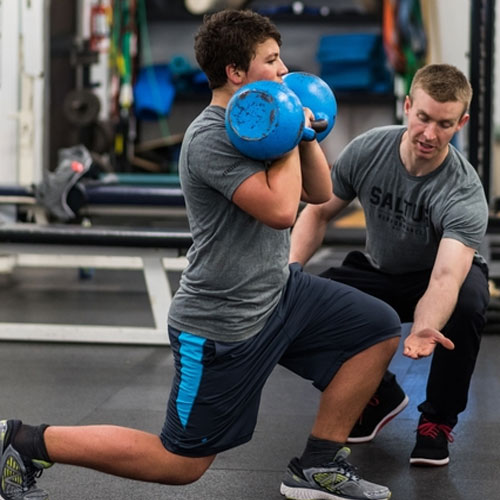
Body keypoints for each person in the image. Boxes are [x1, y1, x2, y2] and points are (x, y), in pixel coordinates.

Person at [0, 11, 450, 500]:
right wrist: (286, 136)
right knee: (181, 464)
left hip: (278, 291)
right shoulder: (209, 137)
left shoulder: (270, 123)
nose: (283, 71)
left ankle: (319, 464)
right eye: (272, 60)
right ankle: (22, 440)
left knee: (376, 327)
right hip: (221, 322)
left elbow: (318, 194)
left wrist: (303, 132)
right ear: (236, 72)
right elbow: (281, 211)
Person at [290, 63, 490, 467]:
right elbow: (317, 212)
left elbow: (446, 276)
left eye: (445, 124)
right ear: (407, 106)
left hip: (436, 276)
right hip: (378, 268)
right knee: (300, 310)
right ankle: (380, 394)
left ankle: (437, 421)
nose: (430, 134)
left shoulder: (464, 191)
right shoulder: (368, 149)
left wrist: (424, 326)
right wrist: (288, 270)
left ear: (462, 123)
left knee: (467, 304)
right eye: (423, 118)